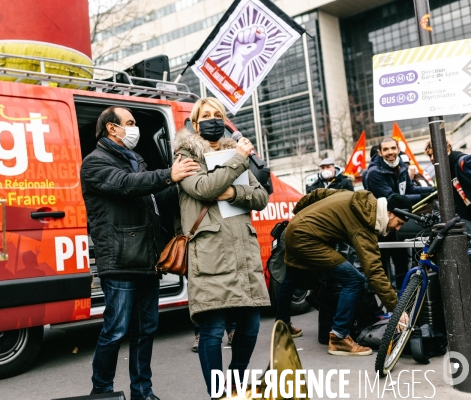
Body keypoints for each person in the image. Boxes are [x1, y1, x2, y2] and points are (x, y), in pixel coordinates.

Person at [80, 106, 200, 400]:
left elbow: (155, 198)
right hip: (120, 260)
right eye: (130, 123)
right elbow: (126, 185)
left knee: (146, 329)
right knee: (116, 330)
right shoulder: (95, 163)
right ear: (112, 128)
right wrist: (167, 175)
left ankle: (142, 392)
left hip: (147, 258)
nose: (135, 129)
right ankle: (102, 392)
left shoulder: (136, 161)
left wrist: (182, 178)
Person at [173, 97, 270, 397]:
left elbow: (261, 196)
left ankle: (236, 381)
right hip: (210, 254)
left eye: (218, 114)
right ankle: (218, 393)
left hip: (243, 252)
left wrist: (233, 192)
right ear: (195, 121)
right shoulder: (185, 155)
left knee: (251, 327)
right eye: (206, 115)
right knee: (212, 331)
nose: (212, 119)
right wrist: (238, 163)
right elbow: (202, 188)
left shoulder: (233, 150)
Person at [277, 189, 411, 355]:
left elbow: (318, 193)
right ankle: (339, 337)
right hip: (308, 239)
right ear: (389, 213)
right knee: (354, 280)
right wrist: (396, 309)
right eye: (399, 223)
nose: (398, 228)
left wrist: (300, 214)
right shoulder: (365, 223)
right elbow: (374, 271)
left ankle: (282, 325)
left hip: (294, 228)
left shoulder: (357, 197)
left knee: (291, 278)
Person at [366, 137, 434, 203]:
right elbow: (392, 198)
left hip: (403, 210)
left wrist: (432, 190)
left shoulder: (402, 165)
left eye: (393, 148)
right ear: (380, 153)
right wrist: (423, 197)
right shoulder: (374, 172)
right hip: (386, 213)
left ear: (398, 150)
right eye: (385, 149)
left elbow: (410, 189)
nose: (390, 152)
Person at [424, 140, 471, 221]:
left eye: (434, 154)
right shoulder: (445, 171)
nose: (432, 158)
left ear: (447, 150)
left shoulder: (461, 162)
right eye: (429, 155)